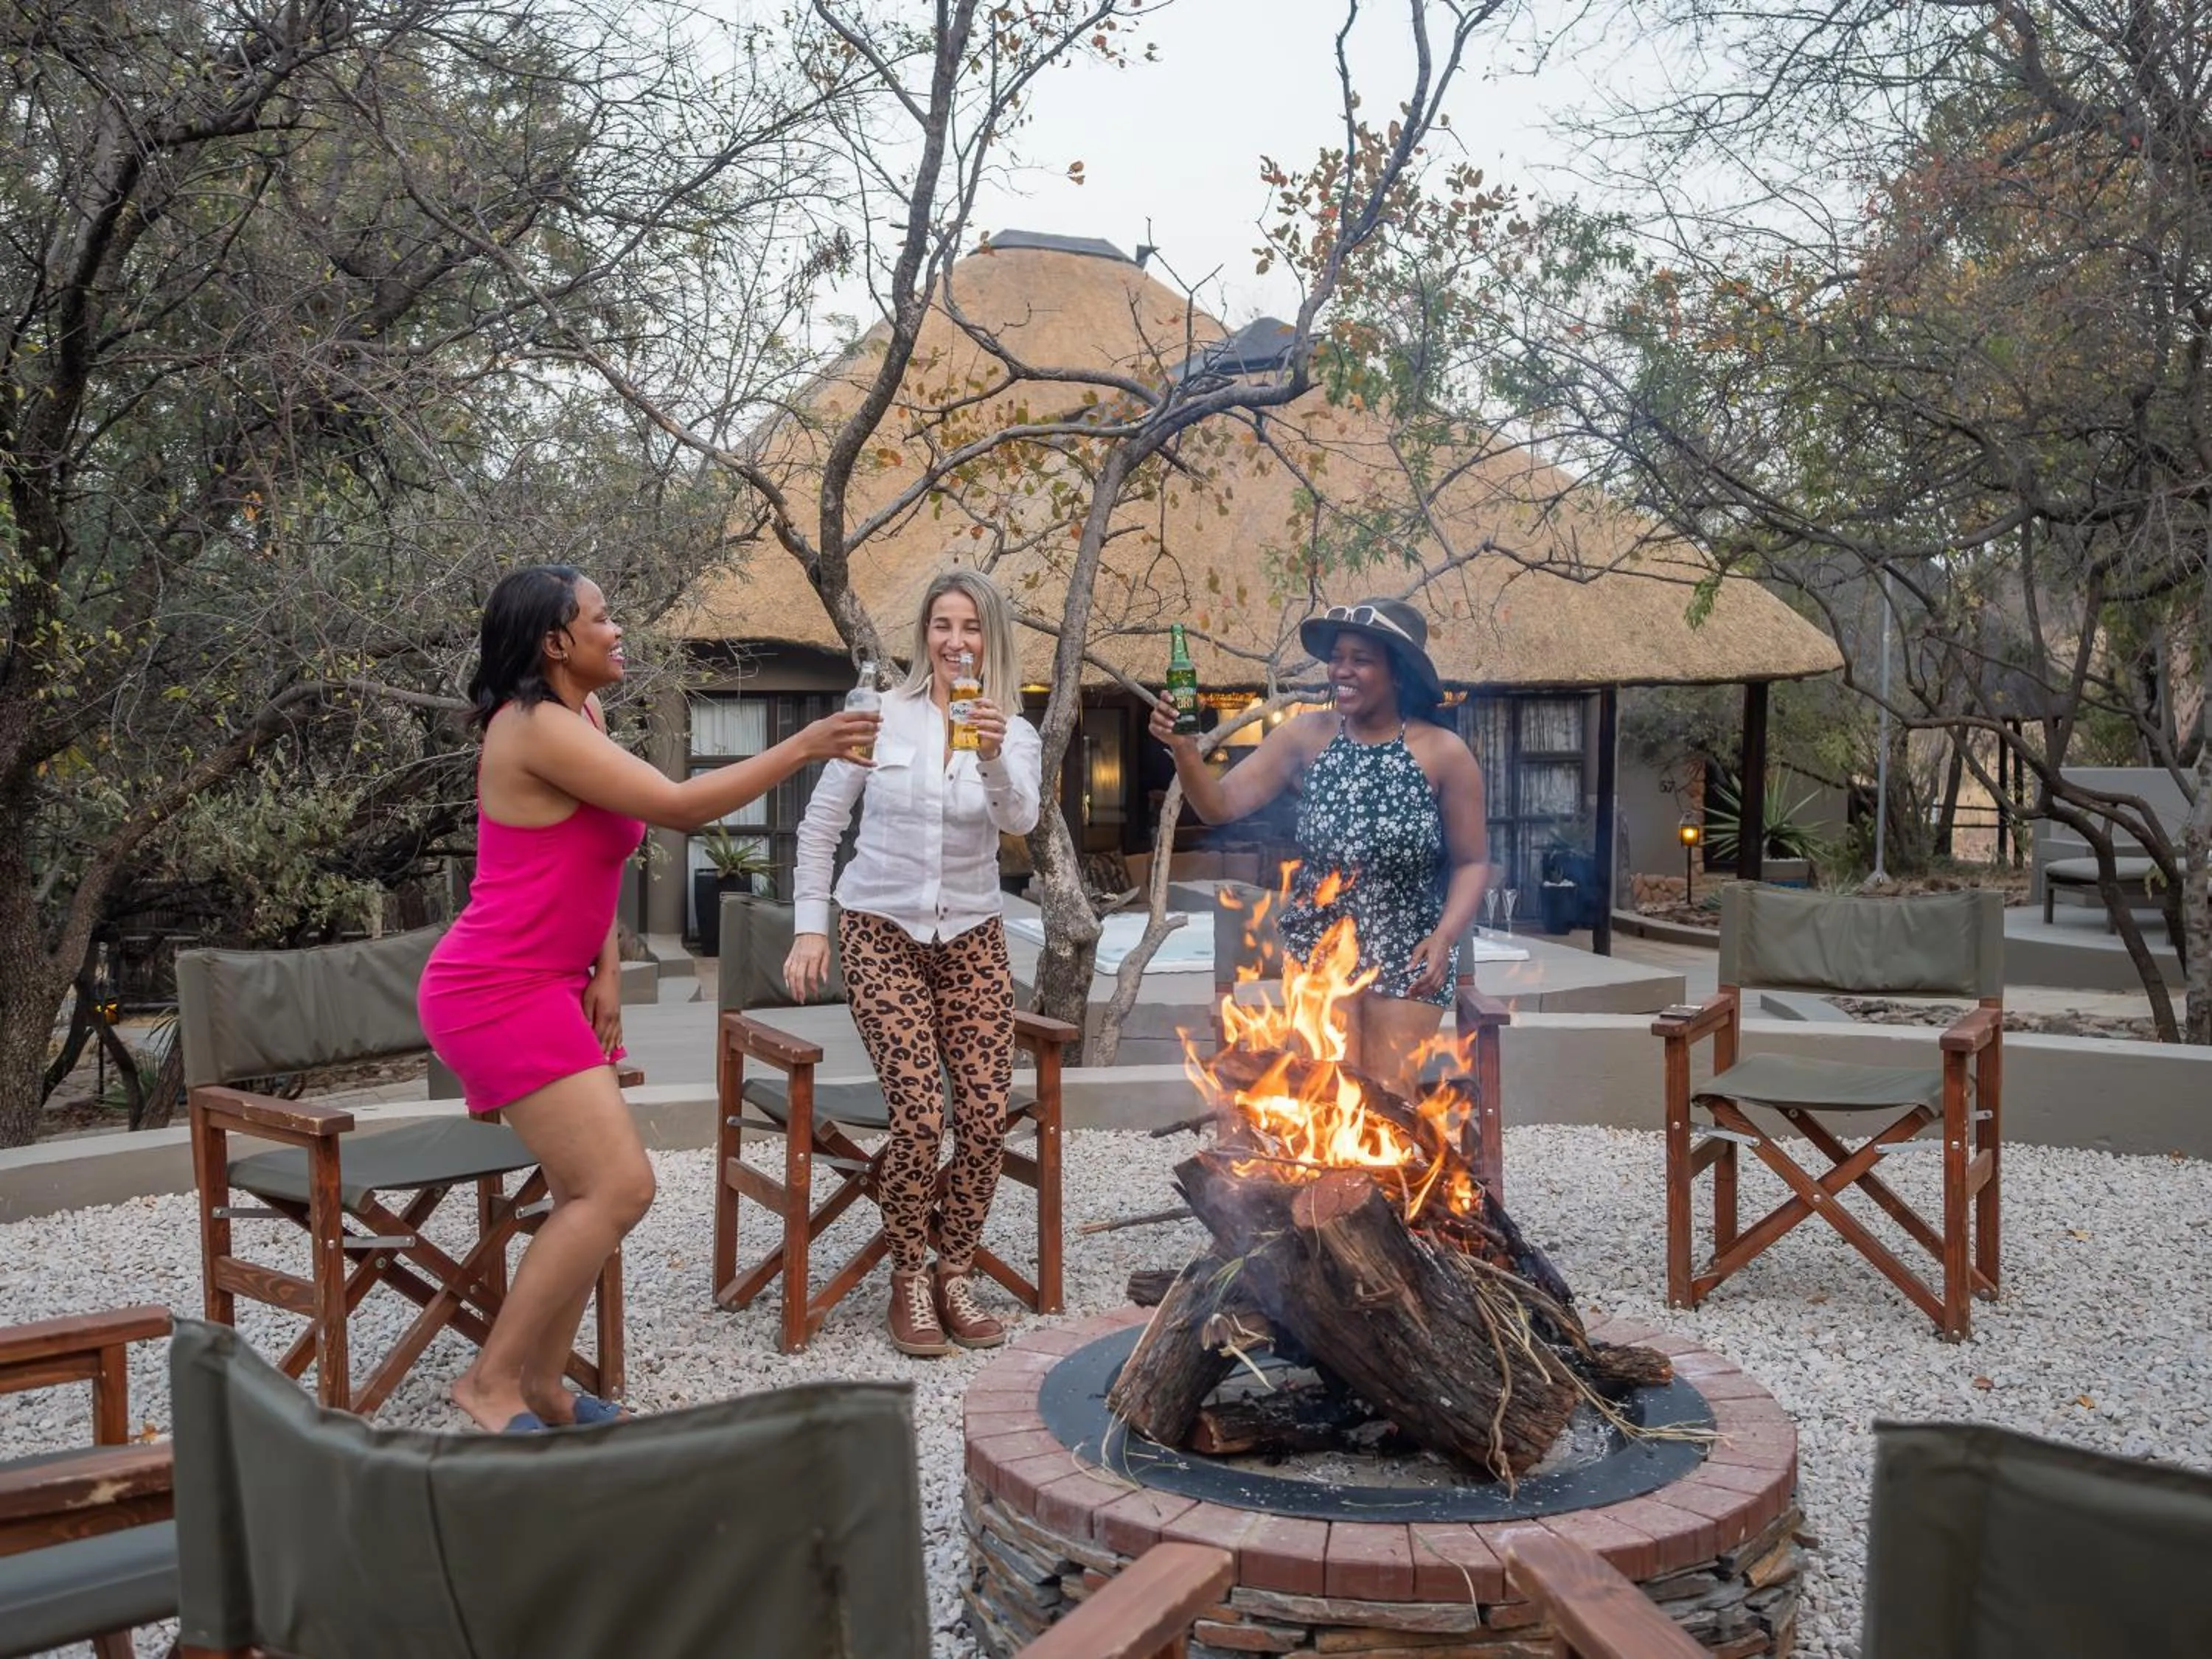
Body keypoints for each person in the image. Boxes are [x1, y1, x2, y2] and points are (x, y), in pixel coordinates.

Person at [420, 565, 877, 1432]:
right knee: (621, 1189)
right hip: (492, 990)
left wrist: (600, 968)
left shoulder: (582, 716)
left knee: (581, 1195)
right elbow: (675, 808)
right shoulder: (533, 728)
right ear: (557, 641)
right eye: (601, 618)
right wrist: (805, 745)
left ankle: (548, 1387)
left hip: (544, 986)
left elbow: (589, 851)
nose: (617, 629)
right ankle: (491, 1382)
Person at [783, 568, 1042, 1358]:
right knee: (923, 1115)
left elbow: (1020, 821)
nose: (954, 642)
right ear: (923, 637)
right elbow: (821, 826)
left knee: (987, 1119)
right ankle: (907, 1276)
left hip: (972, 938)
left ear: (989, 640)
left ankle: (954, 1269)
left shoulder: (1013, 731)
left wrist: (994, 753)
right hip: (881, 930)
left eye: (969, 628)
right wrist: (808, 928)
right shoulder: (878, 718)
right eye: (941, 626)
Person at [1149, 597, 1489, 1100]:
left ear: (1398, 673)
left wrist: (1444, 939)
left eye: (1360, 659)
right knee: (1327, 1100)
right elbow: (1218, 806)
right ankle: (1323, 1185)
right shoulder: (1305, 736)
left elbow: (1473, 862)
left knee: (1386, 1102)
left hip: (1409, 949)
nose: (1341, 671)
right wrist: (1184, 751)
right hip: (1320, 947)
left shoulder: (1443, 753)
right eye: (1337, 657)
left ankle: (1387, 1183)